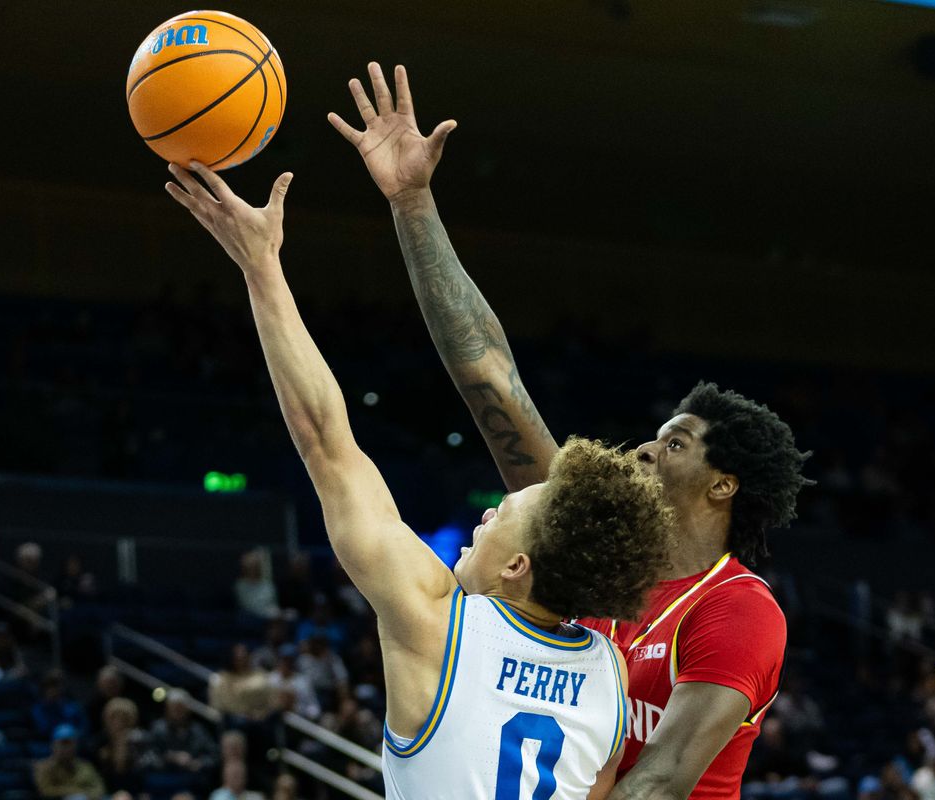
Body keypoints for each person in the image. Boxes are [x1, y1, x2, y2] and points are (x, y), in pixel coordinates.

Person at [330, 62, 811, 799]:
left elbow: (658, 783)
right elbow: (489, 376)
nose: (647, 448)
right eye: (657, 433)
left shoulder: (737, 610)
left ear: (725, 484)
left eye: (676, 443)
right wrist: (412, 202)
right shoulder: (589, 545)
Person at [165, 161, 673, 798]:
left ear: (519, 564)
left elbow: (328, 444)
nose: (488, 513)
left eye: (505, 510)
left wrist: (262, 266)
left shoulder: (435, 621)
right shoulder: (609, 672)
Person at [32, 724, 105, 800]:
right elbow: (45, 790)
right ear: (54, 746)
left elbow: (99, 788)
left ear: (75, 745)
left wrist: (87, 795)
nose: (66, 748)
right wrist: (75, 791)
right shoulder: (44, 767)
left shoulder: (85, 766)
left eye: (69, 744)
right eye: (62, 744)